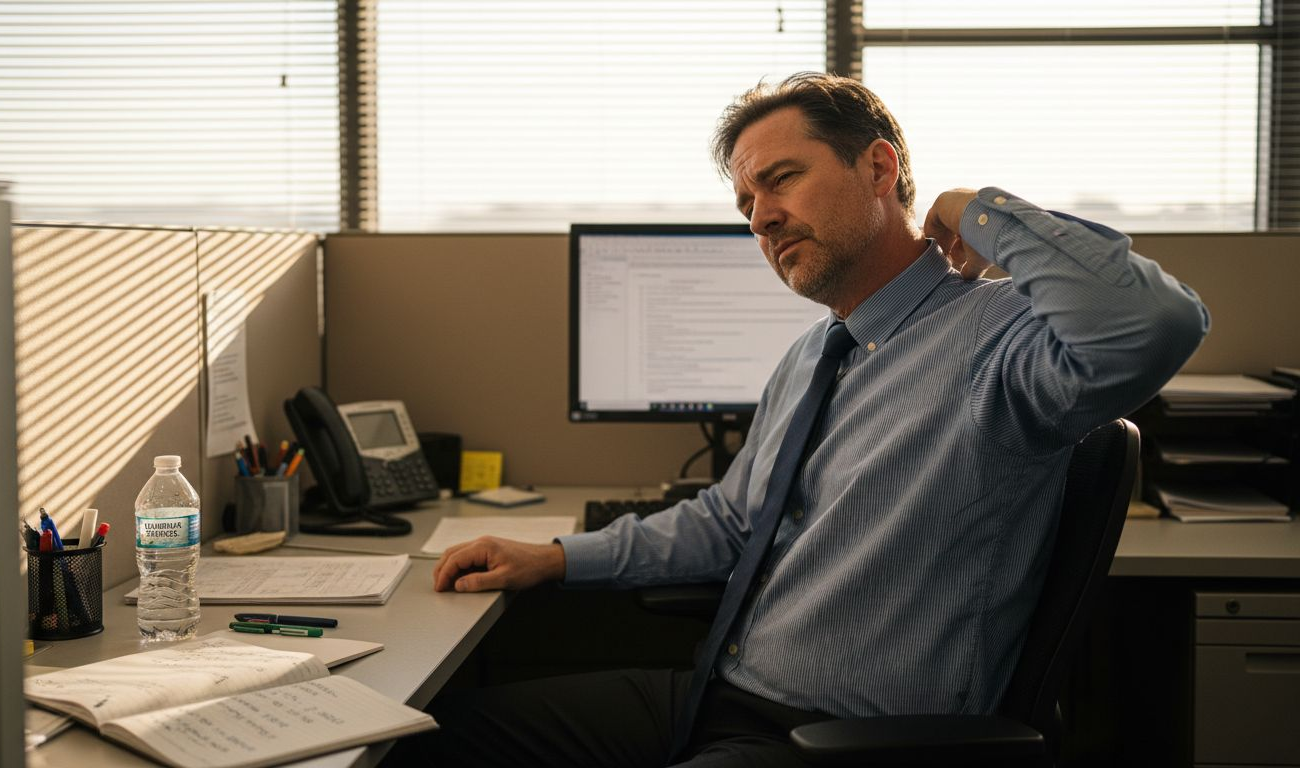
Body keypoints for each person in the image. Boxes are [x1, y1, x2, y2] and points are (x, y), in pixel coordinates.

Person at [397, 72, 1210, 767]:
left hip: (839, 739)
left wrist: (973, 207)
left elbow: (1155, 322)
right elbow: (729, 521)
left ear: (879, 167)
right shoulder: (815, 356)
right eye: (747, 200)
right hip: (722, 694)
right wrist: (555, 558)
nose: (760, 217)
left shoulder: (1001, 340)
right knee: (427, 738)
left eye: (781, 180)